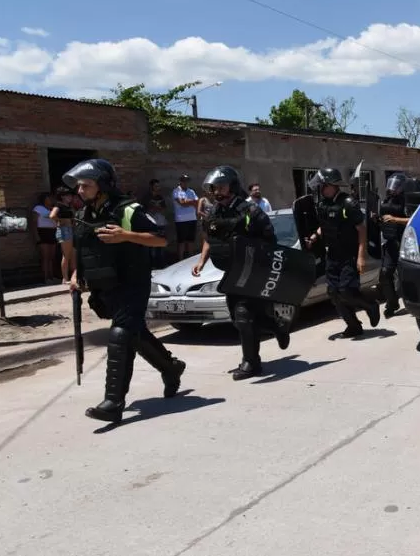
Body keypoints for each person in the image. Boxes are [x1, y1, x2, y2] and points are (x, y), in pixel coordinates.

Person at [63, 159, 186, 423]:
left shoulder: (128, 209)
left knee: (120, 334)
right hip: (106, 286)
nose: (80, 190)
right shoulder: (85, 214)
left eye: (87, 185)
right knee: (135, 334)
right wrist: (76, 275)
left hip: (133, 284)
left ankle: (113, 403)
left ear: (104, 185)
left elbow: (161, 238)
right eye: (79, 186)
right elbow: (83, 250)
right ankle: (171, 367)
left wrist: (126, 236)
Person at [192, 165, 291, 380]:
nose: (217, 191)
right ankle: (277, 326)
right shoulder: (214, 211)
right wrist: (201, 261)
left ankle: (251, 363)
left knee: (244, 315)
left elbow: (270, 241)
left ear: (233, 186)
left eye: (222, 186)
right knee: (239, 319)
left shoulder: (251, 210)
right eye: (214, 187)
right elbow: (210, 239)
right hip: (231, 271)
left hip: (253, 271)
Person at [304, 167, 380, 338]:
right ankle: (353, 326)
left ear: (331, 185)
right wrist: (314, 237)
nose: (321, 189)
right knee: (334, 293)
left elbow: (361, 230)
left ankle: (370, 306)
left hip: (349, 255)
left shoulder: (348, 203)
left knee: (346, 291)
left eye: (323, 185)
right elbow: (325, 227)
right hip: (332, 255)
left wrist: (361, 256)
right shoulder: (323, 204)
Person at [377, 172, 411, 317]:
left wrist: (395, 219)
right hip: (390, 243)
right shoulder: (387, 199)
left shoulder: (407, 201)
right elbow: (384, 218)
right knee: (384, 274)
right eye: (392, 184)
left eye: (397, 185)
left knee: (408, 277)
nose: (393, 188)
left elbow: (413, 219)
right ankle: (392, 303)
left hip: (405, 243)